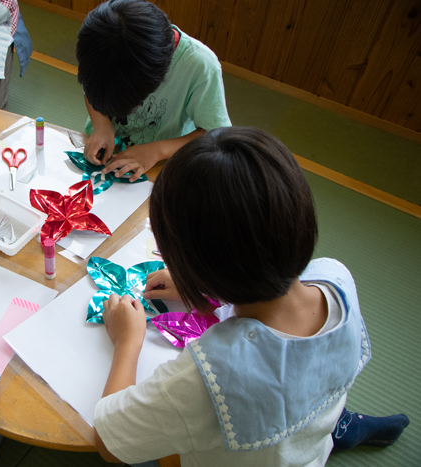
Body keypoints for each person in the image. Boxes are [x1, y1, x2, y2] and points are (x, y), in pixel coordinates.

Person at [93, 127, 408, 466]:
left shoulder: (211, 375)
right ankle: (340, 426)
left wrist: (128, 341)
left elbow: (110, 443)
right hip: (307, 444)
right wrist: (205, 286)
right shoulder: (335, 277)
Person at [76, 0, 231, 182]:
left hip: (162, 165)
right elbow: (91, 90)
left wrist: (157, 151)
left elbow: (217, 136)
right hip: (103, 150)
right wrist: (102, 125)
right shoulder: (100, 44)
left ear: (157, 79)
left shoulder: (200, 66)